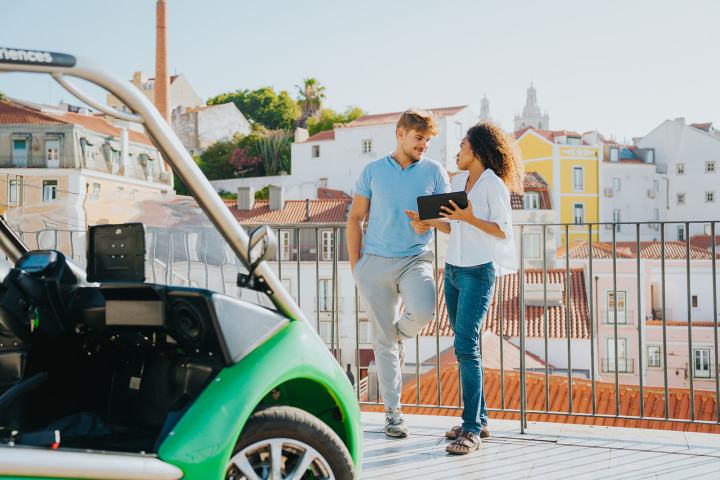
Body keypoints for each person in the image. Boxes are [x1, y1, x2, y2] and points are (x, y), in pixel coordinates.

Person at [407, 122, 522, 454]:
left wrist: (469, 218)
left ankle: (470, 429)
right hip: (454, 272)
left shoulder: (492, 186)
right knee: (465, 345)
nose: (457, 152)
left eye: (462, 146)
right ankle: (479, 420)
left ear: (478, 151)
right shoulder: (460, 182)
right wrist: (427, 221)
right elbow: (456, 227)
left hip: (479, 274)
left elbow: (503, 231)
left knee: (466, 348)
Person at [347, 108, 450, 438]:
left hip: (415, 259)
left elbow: (448, 222)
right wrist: (356, 266)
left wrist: (428, 221)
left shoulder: (435, 172)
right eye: (419, 138)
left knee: (423, 310)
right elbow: (355, 217)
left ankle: (400, 334)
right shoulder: (373, 170)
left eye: (428, 140)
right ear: (400, 134)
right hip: (374, 263)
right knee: (382, 342)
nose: (424, 145)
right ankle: (393, 412)